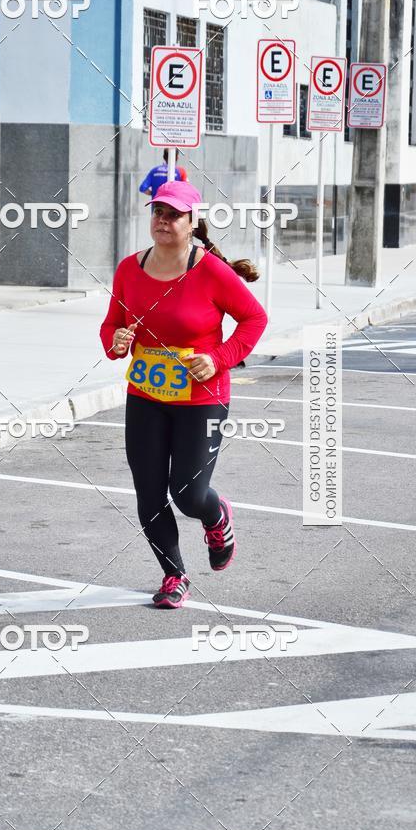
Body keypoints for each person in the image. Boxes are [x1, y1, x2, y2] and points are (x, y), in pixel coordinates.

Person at [100, 181, 268, 608]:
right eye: (158, 211)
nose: (163, 220)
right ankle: (174, 575)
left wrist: (219, 358)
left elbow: (254, 318)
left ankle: (217, 515)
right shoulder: (129, 269)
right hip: (147, 396)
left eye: (173, 214)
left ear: (192, 222)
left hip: (202, 399)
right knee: (149, 494)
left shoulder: (210, 271)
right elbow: (112, 324)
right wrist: (116, 342)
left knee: (189, 494)